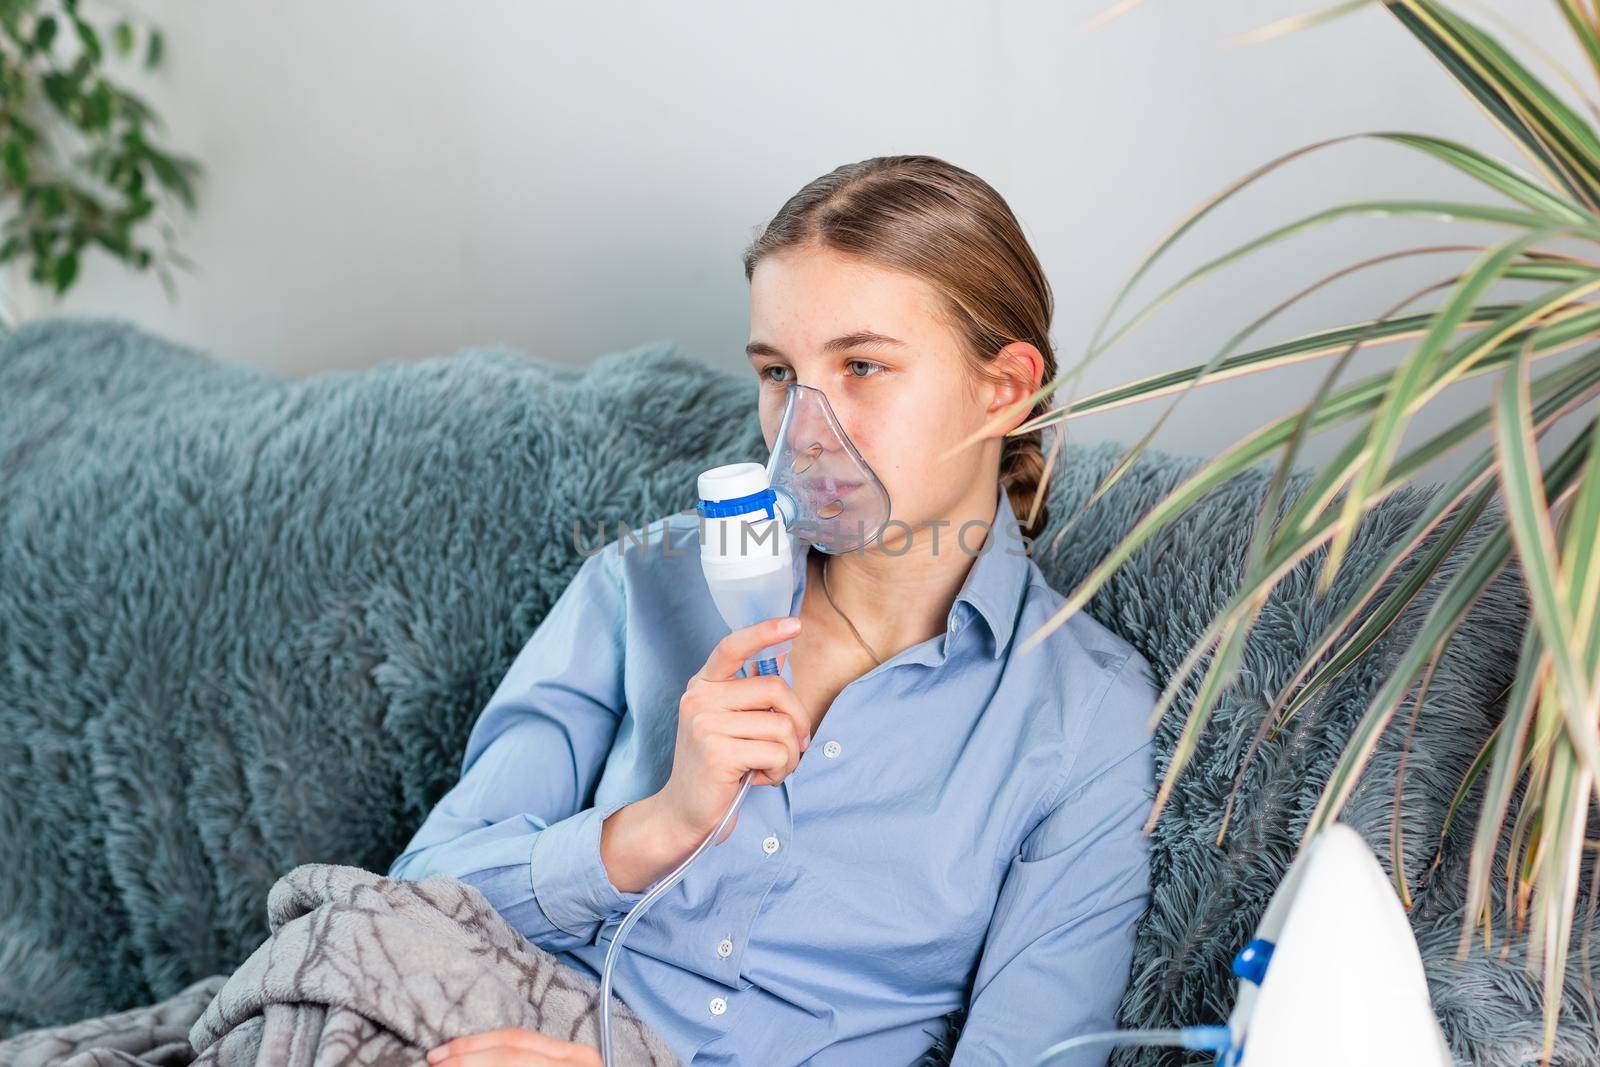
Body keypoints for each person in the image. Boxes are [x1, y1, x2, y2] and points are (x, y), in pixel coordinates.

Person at [393, 155, 1160, 1067]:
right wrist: (655, 827)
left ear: (1003, 389)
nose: (805, 430)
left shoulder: (1082, 716)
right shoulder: (644, 583)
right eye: (777, 374)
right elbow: (413, 899)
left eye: (864, 365)